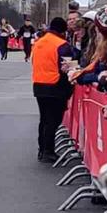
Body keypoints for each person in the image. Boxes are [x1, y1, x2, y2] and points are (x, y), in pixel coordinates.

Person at [27, 16, 75, 163]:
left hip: (39, 84)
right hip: (56, 86)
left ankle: (42, 149)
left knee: (44, 119)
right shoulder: (62, 44)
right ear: (62, 30)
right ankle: (48, 150)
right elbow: (68, 67)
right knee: (53, 119)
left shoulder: (38, 43)